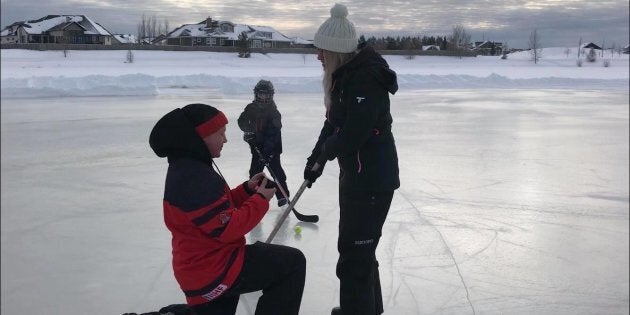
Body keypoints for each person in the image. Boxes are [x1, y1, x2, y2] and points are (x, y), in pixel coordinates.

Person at [149, 103, 306, 315]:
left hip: (204, 266)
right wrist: (261, 198)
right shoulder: (194, 177)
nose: (225, 139)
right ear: (201, 137)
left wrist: (247, 191)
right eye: (220, 133)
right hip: (215, 270)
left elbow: (216, 210)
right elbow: (228, 228)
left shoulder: (190, 166)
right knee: (291, 263)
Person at [302, 4, 400, 315]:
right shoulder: (345, 76)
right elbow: (333, 122)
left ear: (336, 51)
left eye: (322, 52)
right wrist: (315, 159)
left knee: (354, 257)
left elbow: (354, 133)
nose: (318, 57)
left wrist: (328, 152)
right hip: (357, 177)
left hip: (371, 181)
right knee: (360, 252)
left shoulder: (365, 80)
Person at [238, 80, 291, 207]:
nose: (263, 97)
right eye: (261, 94)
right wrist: (249, 132)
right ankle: (255, 195)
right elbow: (241, 121)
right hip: (257, 148)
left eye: (266, 95)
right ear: (256, 94)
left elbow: (273, 135)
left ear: (271, 95)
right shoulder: (251, 108)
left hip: (272, 150)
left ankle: (282, 196)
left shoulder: (274, 112)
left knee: (276, 172)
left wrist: (267, 152)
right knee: (254, 173)